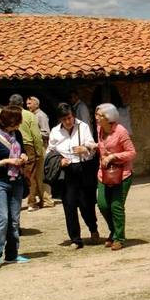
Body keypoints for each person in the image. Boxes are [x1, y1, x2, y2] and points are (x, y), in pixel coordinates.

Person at [0, 105, 31, 268]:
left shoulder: (16, 134)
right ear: (9, 122)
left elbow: (22, 150)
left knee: (14, 220)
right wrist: (7, 161)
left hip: (16, 181)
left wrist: (23, 157)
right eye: (17, 121)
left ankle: (12, 254)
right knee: (2, 218)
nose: (19, 125)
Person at [48, 102, 100, 248]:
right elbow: (50, 152)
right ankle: (76, 239)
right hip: (67, 170)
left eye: (69, 118)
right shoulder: (55, 132)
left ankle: (93, 228)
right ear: (60, 120)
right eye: (64, 119)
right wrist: (60, 160)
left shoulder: (82, 126)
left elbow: (92, 145)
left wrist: (85, 148)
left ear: (73, 116)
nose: (68, 121)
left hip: (83, 167)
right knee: (69, 205)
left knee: (86, 204)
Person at [95, 102, 137, 249]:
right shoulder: (99, 129)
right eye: (97, 115)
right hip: (104, 173)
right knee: (103, 205)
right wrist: (91, 146)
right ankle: (113, 230)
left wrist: (113, 157)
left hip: (122, 174)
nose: (97, 118)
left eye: (99, 115)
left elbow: (132, 152)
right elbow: (102, 146)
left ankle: (119, 238)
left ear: (108, 117)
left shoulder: (121, 131)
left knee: (116, 206)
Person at [10, 94, 47, 211]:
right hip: (28, 146)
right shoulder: (29, 115)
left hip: (12, 146)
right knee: (31, 174)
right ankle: (31, 203)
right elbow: (36, 135)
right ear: (21, 104)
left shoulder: (8, 114)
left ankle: (13, 202)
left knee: (14, 174)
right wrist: (39, 150)